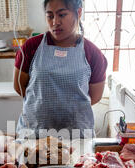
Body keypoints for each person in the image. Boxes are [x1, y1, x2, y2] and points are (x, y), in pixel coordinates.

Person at [13, 0, 108, 139]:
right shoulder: (31, 47)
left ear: (79, 13)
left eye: (62, 15)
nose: (55, 22)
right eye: (50, 16)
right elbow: (19, 87)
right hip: (35, 134)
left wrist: (63, 107)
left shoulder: (92, 53)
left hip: (76, 136)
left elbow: (95, 97)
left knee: (78, 161)